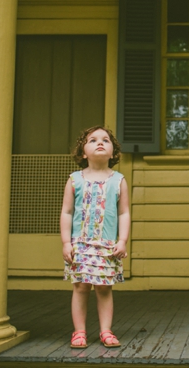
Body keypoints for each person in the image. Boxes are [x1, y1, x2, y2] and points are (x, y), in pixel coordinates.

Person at [60, 126, 130, 349]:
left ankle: (106, 331)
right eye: (93, 140)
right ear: (83, 152)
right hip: (80, 244)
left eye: (106, 140)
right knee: (81, 287)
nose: (100, 142)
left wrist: (122, 241)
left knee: (104, 288)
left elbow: (124, 212)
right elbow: (67, 212)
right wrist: (65, 242)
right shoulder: (74, 180)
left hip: (107, 245)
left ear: (113, 153)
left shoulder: (118, 180)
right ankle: (79, 332)